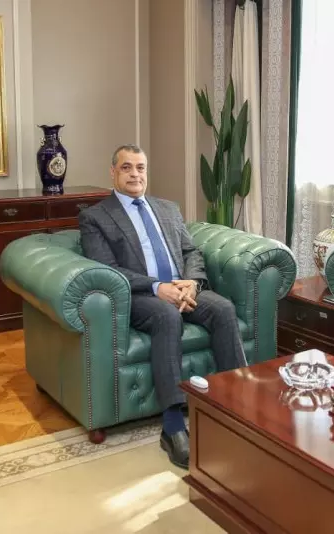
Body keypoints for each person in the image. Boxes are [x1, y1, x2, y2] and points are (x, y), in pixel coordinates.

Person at [79, 144, 247, 469]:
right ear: (113, 173)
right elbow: (107, 268)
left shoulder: (168, 208)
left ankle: (235, 406)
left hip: (182, 287)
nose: (135, 174)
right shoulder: (95, 217)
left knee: (224, 309)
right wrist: (158, 287)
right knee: (167, 316)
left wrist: (192, 282)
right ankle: (172, 427)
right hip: (141, 296)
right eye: (126, 167)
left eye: (140, 167)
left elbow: (191, 252)